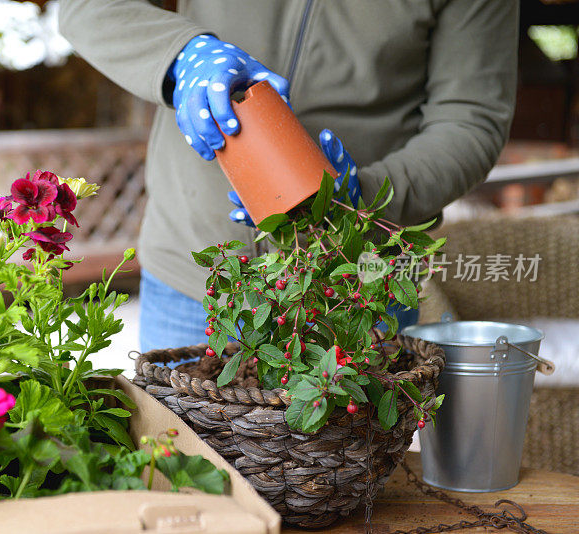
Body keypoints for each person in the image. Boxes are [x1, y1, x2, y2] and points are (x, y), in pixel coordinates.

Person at [59, 0, 519, 353]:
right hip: (191, 279)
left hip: (351, 288)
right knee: (182, 469)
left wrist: (366, 197)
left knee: (340, 472)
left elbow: (471, 119)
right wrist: (183, 55)